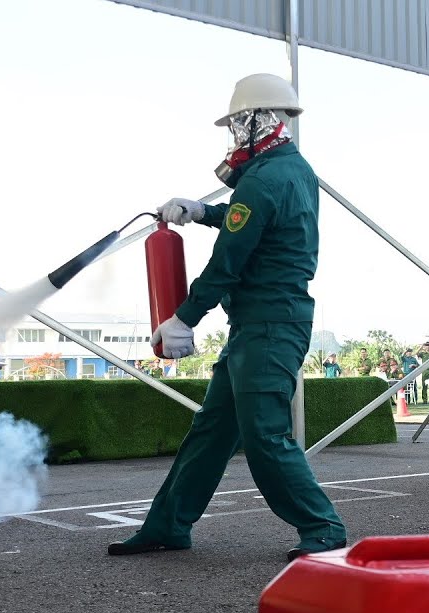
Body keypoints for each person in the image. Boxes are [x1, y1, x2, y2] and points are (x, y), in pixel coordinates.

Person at [109, 73, 345, 560]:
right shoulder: (291, 169)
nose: (235, 132)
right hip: (263, 323)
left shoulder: (264, 177)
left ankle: (322, 527)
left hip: (268, 323)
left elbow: (229, 261)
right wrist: (202, 212)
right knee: (212, 432)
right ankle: (169, 524)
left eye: (239, 122)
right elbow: (253, 219)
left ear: (262, 118)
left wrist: (184, 317)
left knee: (264, 434)